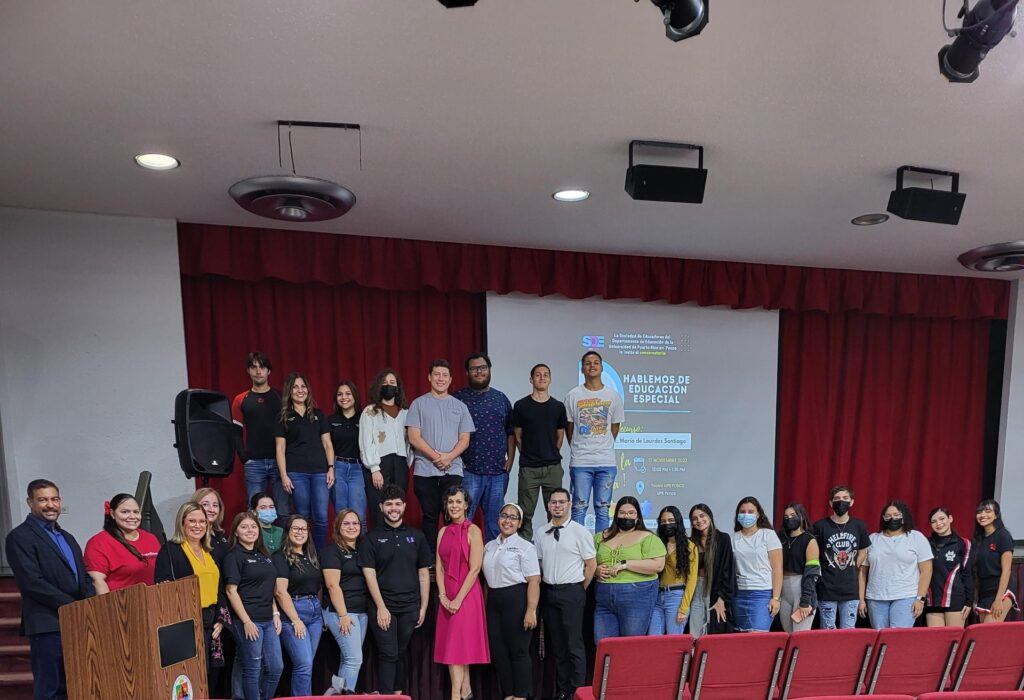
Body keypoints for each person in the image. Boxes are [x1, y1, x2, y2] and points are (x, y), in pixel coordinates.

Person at [6, 479, 95, 700]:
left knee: (77, 685)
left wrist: (88, 603)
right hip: (47, 625)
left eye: (54, 499)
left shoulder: (67, 537)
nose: (50, 505)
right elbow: (32, 582)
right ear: (30, 502)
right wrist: (72, 606)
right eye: (42, 500)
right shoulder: (19, 537)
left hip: (76, 623)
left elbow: (83, 575)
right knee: (51, 690)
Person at [357, 485, 432, 696]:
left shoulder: (417, 537)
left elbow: (424, 573)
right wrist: (381, 607)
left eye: (398, 504)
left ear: (405, 506)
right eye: (389, 504)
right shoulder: (371, 538)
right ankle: (387, 695)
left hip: (410, 606)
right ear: (381, 507)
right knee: (388, 653)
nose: (394, 508)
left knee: (400, 651)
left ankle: (397, 693)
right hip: (383, 606)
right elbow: (369, 574)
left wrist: (424, 606)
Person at [154, 502, 228, 692]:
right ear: (182, 523)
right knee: (191, 675)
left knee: (211, 673)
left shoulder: (209, 551)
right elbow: (164, 590)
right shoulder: (171, 550)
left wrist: (220, 619)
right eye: (192, 521)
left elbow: (220, 587)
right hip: (186, 621)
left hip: (211, 619)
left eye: (202, 521)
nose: (198, 525)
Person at [406, 359, 475, 555]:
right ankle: (429, 559)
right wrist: (437, 456)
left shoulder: (460, 406)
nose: (441, 379)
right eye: (437, 374)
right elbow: (414, 437)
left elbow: (465, 439)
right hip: (424, 470)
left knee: (451, 514)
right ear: (429, 377)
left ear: (451, 379)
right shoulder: (418, 404)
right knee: (429, 515)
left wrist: (449, 457)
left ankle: (452, 555)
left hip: (452, 470)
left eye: (445, 375)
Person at [534, 488, 596, 700]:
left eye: (562, 502)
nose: (557, 506)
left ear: (569, 504)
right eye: (554, 502)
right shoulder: (541, 531)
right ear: (549, 505)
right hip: (549, 592)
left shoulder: (580, 532)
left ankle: (577, 692)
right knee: (557, 645)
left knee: (573, 644)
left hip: (572, 591)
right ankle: (563, 690)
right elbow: (540, 564)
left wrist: (579, 590)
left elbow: (591, 565)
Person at [453, 353, 515, 542]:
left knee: (495, 524)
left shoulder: (501, 398)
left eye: (483, 368)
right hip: (468, 471)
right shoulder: (458, 399)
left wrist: (511, 459)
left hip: (497, 472)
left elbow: (510, 432)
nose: (479, 372)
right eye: (474, 368)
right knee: (462, 521)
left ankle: (492, 567)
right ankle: (462, 565)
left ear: (489, 370)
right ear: (467, 372)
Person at [435, 485, 490, 700]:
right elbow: (439, 567)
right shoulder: (442, 531)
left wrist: (457, 599)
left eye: (458, 501)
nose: (454, 505)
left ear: (466, 504)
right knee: (455, 646)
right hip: (446, 594)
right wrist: (442, 595)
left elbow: (475, 568)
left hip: (466, 596)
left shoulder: (474, 531)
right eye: (451, 502)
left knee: (457, 648)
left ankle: (455, 695)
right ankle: (466, 692)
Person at [223, 511, 284, 700]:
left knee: (276, 667)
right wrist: (246, 621)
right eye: (244, 527)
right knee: (253, 667)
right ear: (236, 532)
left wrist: (275, 613)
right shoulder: (234, 556)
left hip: (268, 619)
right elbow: (231, 591)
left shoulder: (263, 555)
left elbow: (270, 588)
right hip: (249, 620)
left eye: (253, 526)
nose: (249, 530)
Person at [482, 503, 540, 700]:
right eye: (504, 516)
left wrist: (531, 609)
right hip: (494, 601)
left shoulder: (526, 547)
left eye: (513, 517)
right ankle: (509, 693)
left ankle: (522, 695)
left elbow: (534, 580)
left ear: (520, 523)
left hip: (517, 599)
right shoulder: (489, 546)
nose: (507, 520)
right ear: (498, 519)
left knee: (519, 651)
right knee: (498, 652)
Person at [564, 350, 624, 531]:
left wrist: (602, 443)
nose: (592, 366)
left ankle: (600, 551)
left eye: (596, 362)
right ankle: (578, 551)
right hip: (581, 461)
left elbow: (614, 427)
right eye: (588, 363)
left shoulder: (612, 396)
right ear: (582, 369)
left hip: (606, 461)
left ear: (601, 367)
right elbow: (569, 428)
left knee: (603, 509)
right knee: (578, 508)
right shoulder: (573, 395)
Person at [593, 496, 665, 643]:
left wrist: (625, 564)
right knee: (603, 645)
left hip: (637, 596)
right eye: (622, 512)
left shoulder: (648, 537)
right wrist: (596, 570)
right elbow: (588, 562)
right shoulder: (600, 537)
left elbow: (658, 566)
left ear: (638, 516)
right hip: (604, 596)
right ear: (616, 515)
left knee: (630, 645)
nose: (626, 516)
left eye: (631, 513)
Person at [275, 371, 335, 548]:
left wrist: (331, 467)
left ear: (308, 390)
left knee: (322, 516)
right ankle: (305, 554)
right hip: (296, 472)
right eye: (295, 387)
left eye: (303, 387)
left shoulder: (318, 414)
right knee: (302, 515)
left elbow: (328, 444)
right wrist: (284, 475)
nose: (299, 390)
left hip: (320, 472)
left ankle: (320, 553)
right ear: (289, 391)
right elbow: (280, 448)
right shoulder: (283, 416)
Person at [512, 363, 568, 542]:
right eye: (538, 375)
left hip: (552, 467)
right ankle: (524, 549)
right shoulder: (521, 406)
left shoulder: (558, 407)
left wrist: (548, 453)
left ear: (550, 379)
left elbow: (560, 437)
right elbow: (518, 437)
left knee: (555, 511)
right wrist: (530, 455)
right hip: (529, 468)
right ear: (531, 379)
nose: (542, 377)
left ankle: (553, 548)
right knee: (525, 513)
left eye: (546, 374)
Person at [860, 500, 933, 629]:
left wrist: (920, 599)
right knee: (879, 638)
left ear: (904, 516)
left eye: (896, 515)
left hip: (906, 597)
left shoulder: (916, 537)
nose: (892, 518)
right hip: (876, 598)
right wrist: (861, 599)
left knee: (898, 640)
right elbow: (862, 572)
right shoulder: (872, 539)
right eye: (887, 516)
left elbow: (926, 571)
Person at [233, 351, 288, 517]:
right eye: (254, 367)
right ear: (248, 371)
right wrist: (244, 456)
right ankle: (256, 543)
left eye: (262, 367)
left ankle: (284, 543)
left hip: (280, 462)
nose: (258, 371)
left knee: (283, 510)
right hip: (254, 463)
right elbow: (235, 431)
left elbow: (290, 428)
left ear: (268, 371)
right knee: (255, 512)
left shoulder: (281, 397)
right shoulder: (241, 399)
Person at [273, 515, 323, 697]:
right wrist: (295, 620)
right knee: (304, 664)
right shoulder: (280, 557)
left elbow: (318, 586)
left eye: (304, 529)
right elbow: (280, 592)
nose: (300, 532)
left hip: (315, 614)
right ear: (287, 531)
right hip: (293, 612)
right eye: (296, 528)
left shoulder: (311, 556)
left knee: (307, 665)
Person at [321, 509, 369, 695]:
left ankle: (338, 695)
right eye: (346, 523)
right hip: (340, 611)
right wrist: (342, 615)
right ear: (338, 527)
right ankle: (346, 697)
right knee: (354, 659)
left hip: (361, 612)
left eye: (355, 523)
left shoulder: (362, 549)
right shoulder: (331, 551)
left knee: (348, 659)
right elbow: (332, 586)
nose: (351, 527)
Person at [359, 368, 412, 528]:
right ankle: (379, 543)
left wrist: (407, 463)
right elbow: (366, 441)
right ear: (378, 387)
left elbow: (410, 442)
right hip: (380, 464)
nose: (389, 385)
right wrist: (374, 468)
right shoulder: (370, 411)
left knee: (397, 504)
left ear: (398, 387)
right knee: (379, 505)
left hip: (401, 463)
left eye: (392, 383)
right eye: (385, 383)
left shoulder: (406, 413)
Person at [813, 484, 871, 629]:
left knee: (848, 631)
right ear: (831, 503)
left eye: (845, 498)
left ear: (852, 502)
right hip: (826, 588)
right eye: (837, 499)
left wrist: (852, 565)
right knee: (827, 629)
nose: (841, 502)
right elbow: (813, 553)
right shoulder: (820, 526)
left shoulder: (858, 525)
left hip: (850, 589)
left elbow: (863, 550)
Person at [84, 493, 161, 592]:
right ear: (112, 514)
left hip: (155, 602)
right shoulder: (98, 543)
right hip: (121, 604)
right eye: (125, 512)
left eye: (136, 512)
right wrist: (108, 607)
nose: (132, 516)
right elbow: (97, 581)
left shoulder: (151, 538)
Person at [732, 496, 783, 632]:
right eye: (742, 512)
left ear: (758, 514)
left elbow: (777, 568)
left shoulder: (768, 535)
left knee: (758, 637)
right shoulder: (733, 538)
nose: (746, 515)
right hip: (739, 595)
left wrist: (776, 598)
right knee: (740, 637)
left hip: (762, 594)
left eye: (750, 511)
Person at [649, 505, 698, 635]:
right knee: (653, 639)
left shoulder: (690, 547)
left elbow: (692, 580)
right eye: (663, 521)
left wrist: (684, 608)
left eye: (671, 521)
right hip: (657, 596)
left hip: (676, 597)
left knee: (674, 640)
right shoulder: (657, 543)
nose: (667, 524)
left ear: (678, 522)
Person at [688, 503, 735, 638]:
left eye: (702, 516)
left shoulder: (723, 539)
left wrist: (721, 600)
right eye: (695, 518)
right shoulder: (691, 542)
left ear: (710, 517)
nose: (699, 521)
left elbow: (727, 570)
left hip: (715, 590)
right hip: (695, 589)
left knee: (715, 631)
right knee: (695, 630)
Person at [925, 506, 973, 627]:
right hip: (932, 600)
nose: (938, 523)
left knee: (955, 642)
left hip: (956, 600)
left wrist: (969, 602)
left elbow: (967, 573)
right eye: (934, 521)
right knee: (936, 641)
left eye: (942, 519)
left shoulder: (963, 543)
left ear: (950, 518)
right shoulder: (925, 543)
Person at [973, 499, 1018, 623]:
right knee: (981, 634)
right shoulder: (978, 540)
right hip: (985, 590)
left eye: (988, 511)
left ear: (996, 515)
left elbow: (1007, 570)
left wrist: (998, 599)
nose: (983, 515)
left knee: (989, 632)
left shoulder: (1002, 535)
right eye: (980, 512)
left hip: (1001, 589)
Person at [777, 503, 820, 632]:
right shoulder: (780, 539)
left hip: (801, 588)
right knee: (788, 634)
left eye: (793, 515)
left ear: (801, 517)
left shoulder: (809, 540)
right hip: (783, 589)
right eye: (786, 516)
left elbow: (811, 573)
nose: (789, 519)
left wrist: (805, 601)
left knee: (800, 637)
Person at [329, 380, 367, 526]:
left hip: (358, 468)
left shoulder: (365, 418)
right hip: (338, 468)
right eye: (340, 394)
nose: (343, 397)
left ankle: (362, 549)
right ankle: (341, 549)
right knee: (341, 514)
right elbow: (327, 447)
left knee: (359, 515)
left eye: (347, 393)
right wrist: (330, 468)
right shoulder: (330, 420)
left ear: (355, 396)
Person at [192, 486, 230, 565]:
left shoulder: (220, 535)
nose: (211, 509)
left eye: (215, 505)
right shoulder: (194, 537)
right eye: (205, 504)